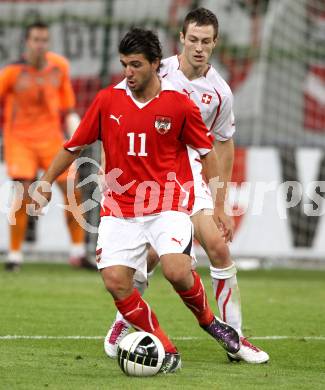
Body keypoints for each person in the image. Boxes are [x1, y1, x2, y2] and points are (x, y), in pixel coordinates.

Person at [31, 27, 242, 373]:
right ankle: (166, 349)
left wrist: (219, 204)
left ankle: (211, 322)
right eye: (124, 65)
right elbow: (74, 145)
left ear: (156, 64)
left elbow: (209, 153)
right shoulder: (107, 100)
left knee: (176, 268)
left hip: (167, 201)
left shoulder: (180, 104)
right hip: (119, 208)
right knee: (115, 281)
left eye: (135, 65)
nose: (127, 73)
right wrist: (44, 182)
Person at [105, 8, 269, 364]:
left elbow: (223, 145)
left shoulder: (220, 92)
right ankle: (125, 320)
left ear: (215, 43)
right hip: (155, 173)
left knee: (218, 248)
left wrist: (221, 202)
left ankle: (234, 339)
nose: (198, 48)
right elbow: (119, 108)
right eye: (192, 39)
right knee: (148, 256)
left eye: (206, 41)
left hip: (194, 174)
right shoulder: (157, 69)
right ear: (181, 38)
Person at [0, 21, 94, 271]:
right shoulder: (11, 72)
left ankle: (77, 253)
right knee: (23, 193)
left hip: (51, 139)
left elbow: (69, 107)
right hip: (19, 139)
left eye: (44, 40)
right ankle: (15, 256)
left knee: (73, 189)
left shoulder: (59, 67)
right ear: (26, 42)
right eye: (36, 40)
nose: (40, 45)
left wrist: (76, 133)